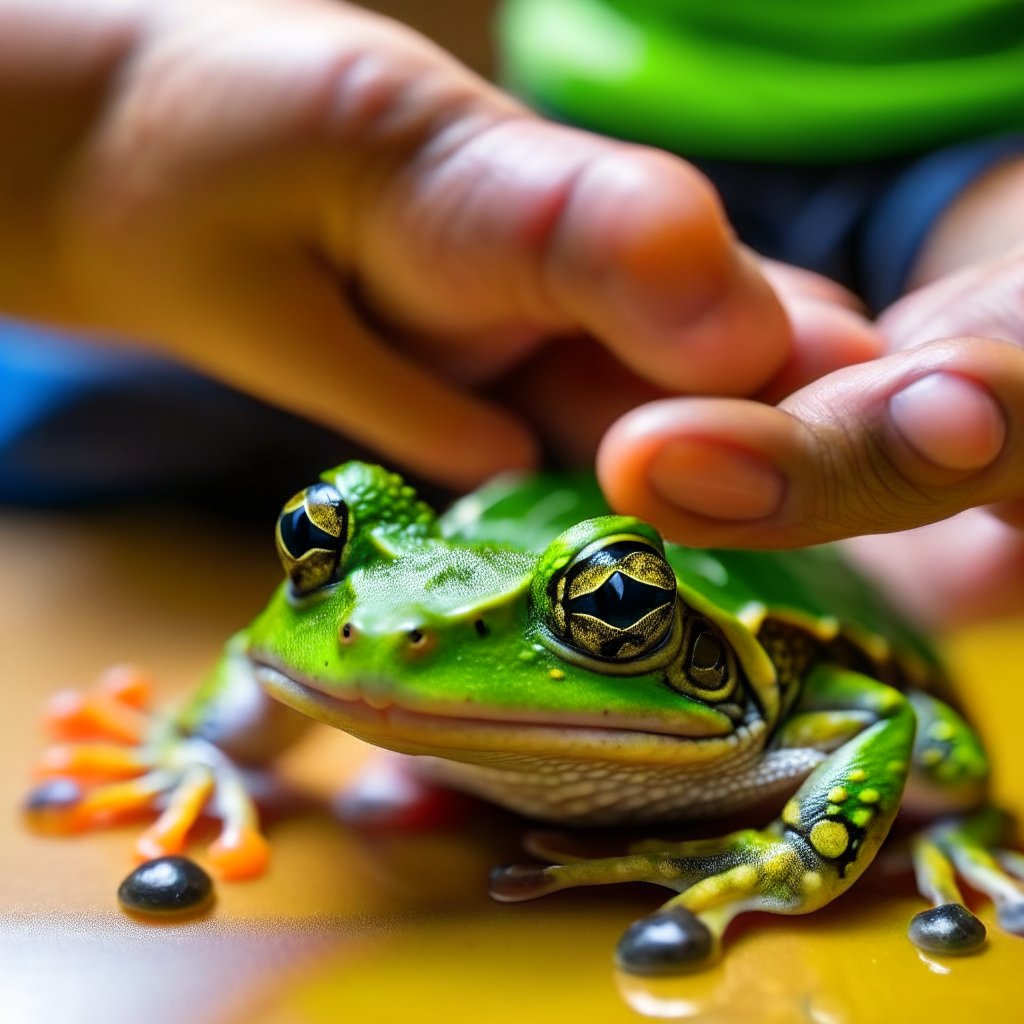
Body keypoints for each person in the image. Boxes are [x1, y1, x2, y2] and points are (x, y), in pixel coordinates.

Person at [0, 0, 1022, 626]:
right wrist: (113, 106)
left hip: (988, 161)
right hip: (546, 139)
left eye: (612, 610)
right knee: (70, 407)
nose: (383, 635)